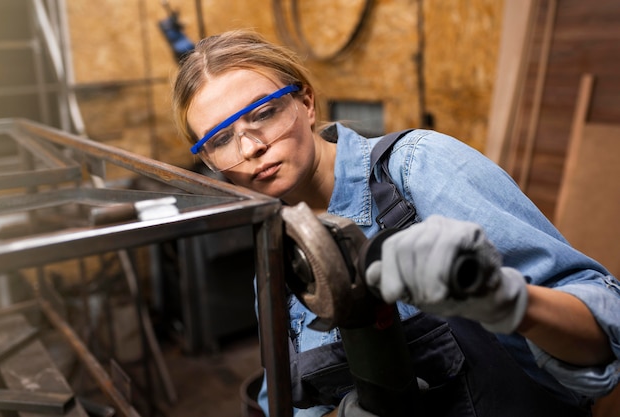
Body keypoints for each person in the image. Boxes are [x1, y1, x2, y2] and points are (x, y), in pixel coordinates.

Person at [172, 29, 620, 417]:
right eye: (220, 139)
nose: (250, 147)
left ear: (305, 102)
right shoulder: (278, 257)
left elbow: (607, 329)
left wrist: (510, 301)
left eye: (263, 112)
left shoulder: (416, 169)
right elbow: (286, 402)